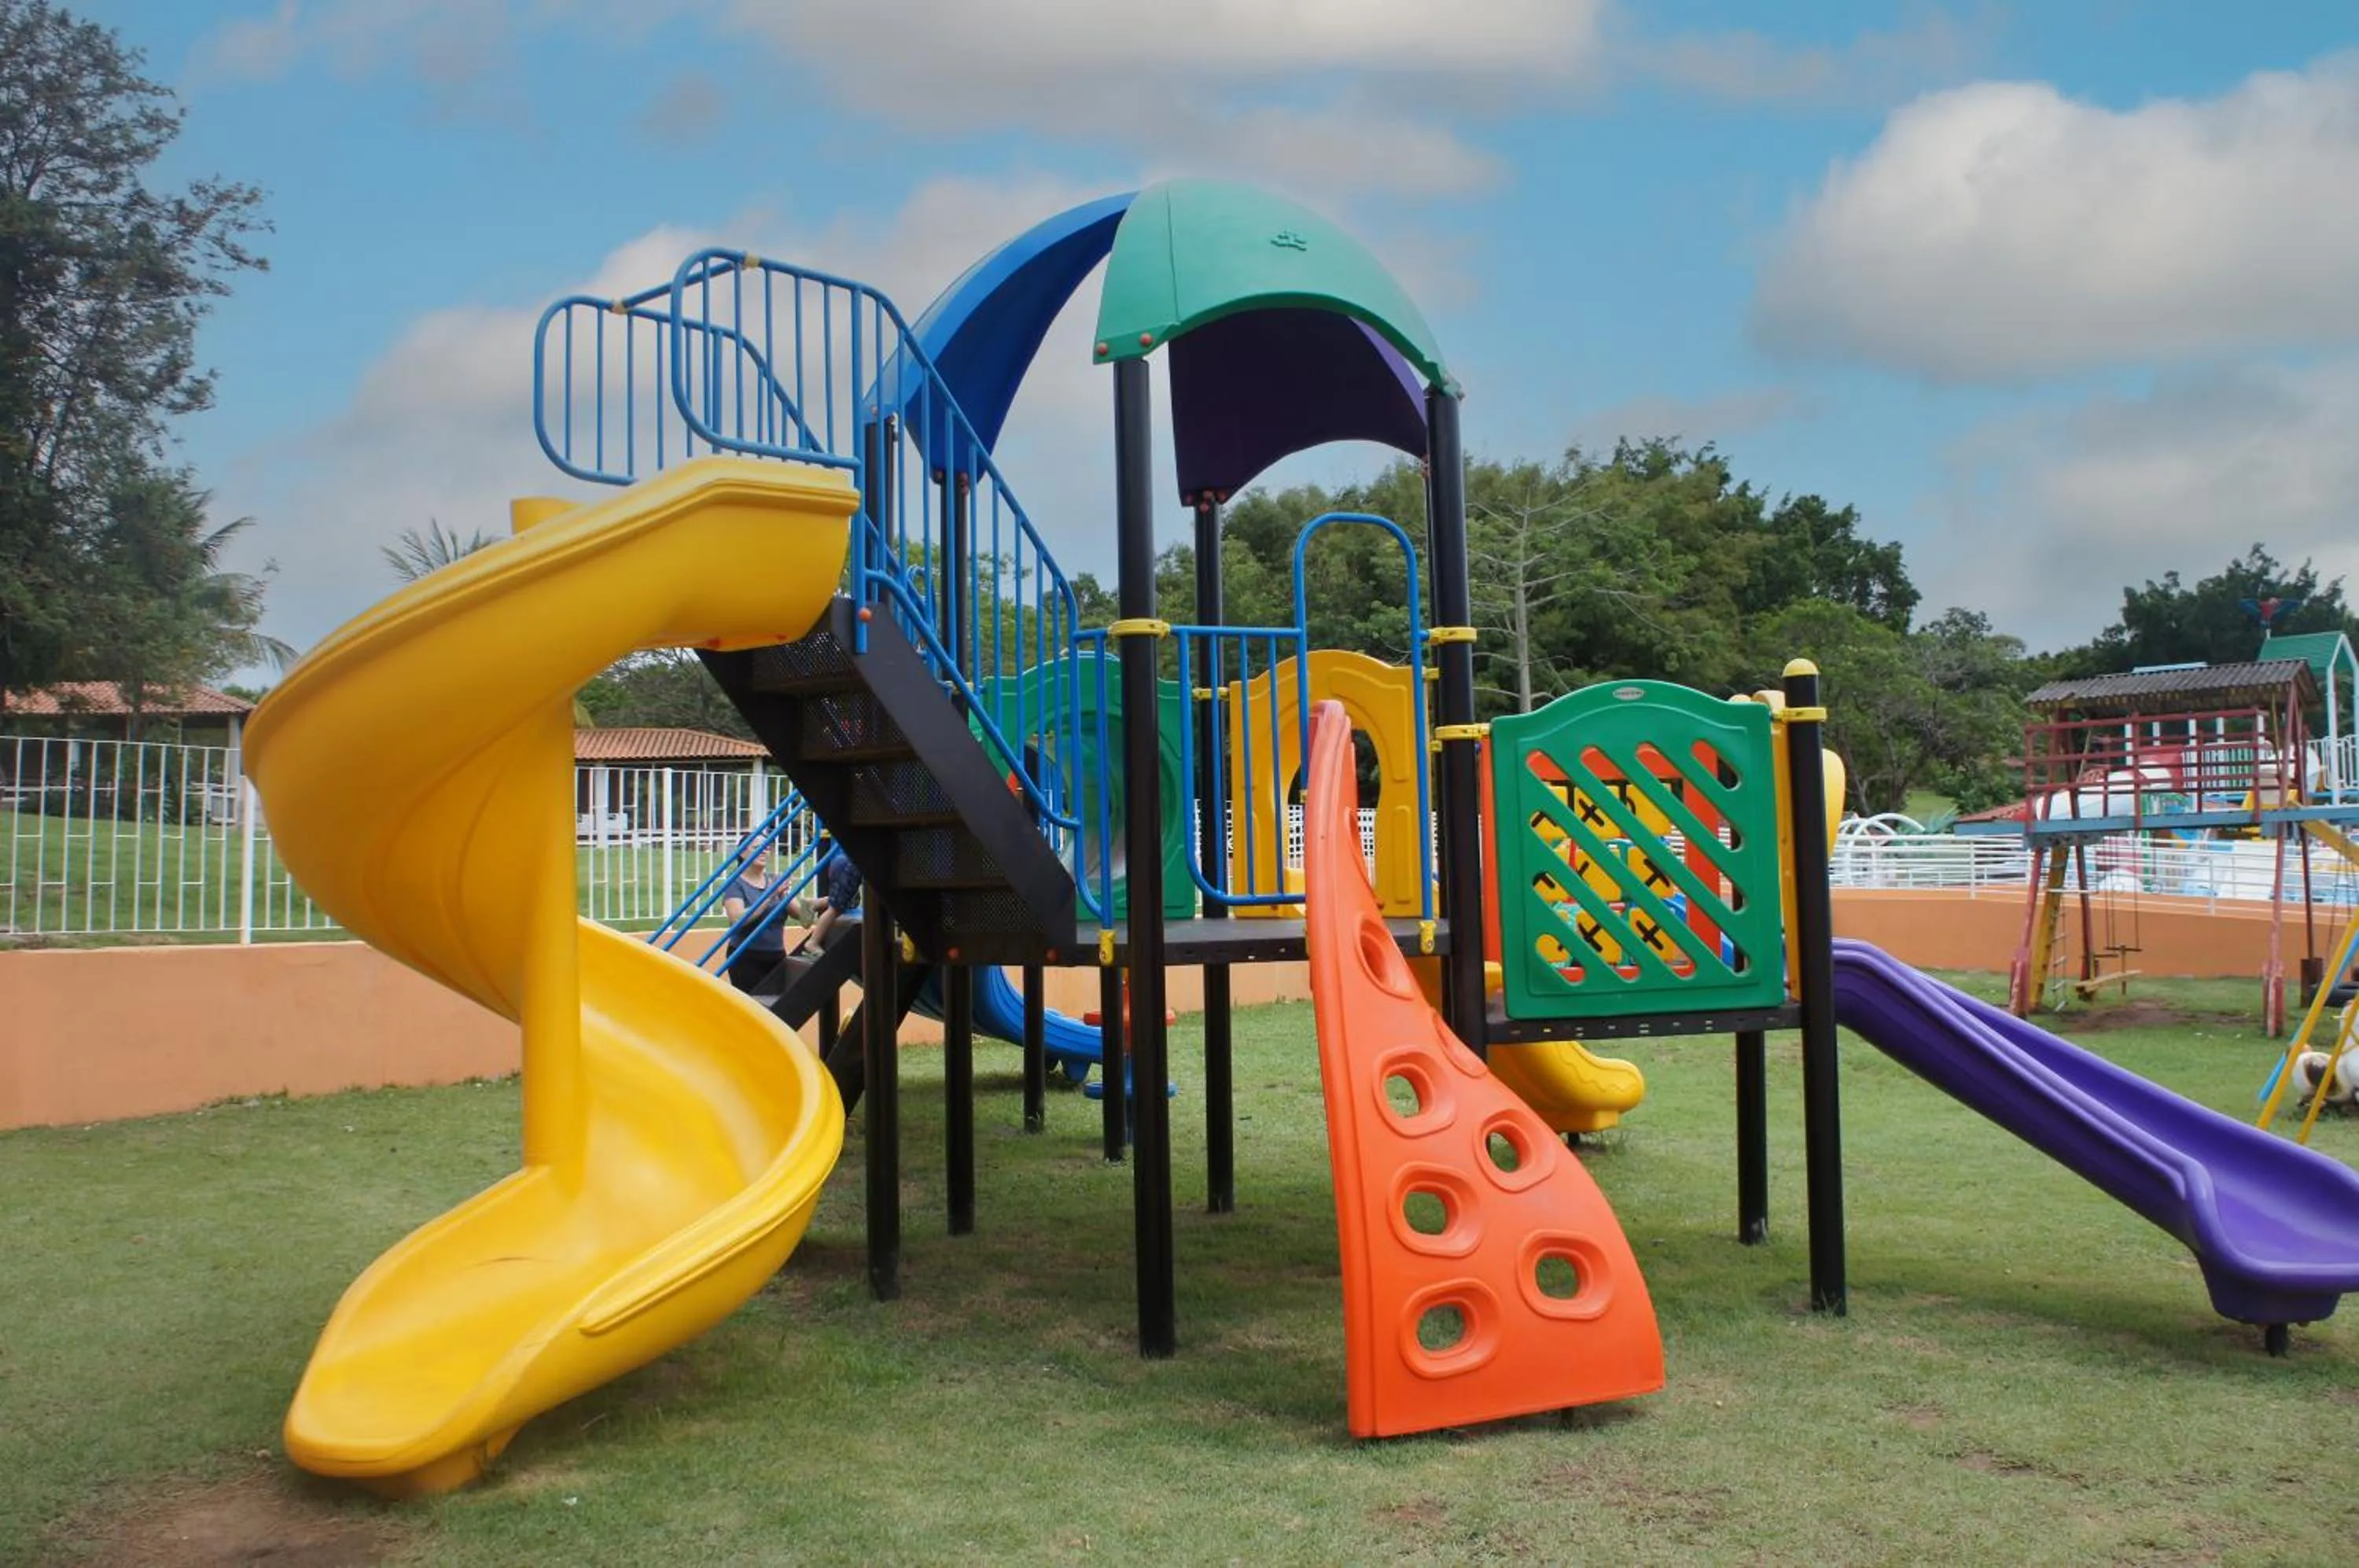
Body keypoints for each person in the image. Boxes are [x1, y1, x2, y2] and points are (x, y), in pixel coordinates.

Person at [719, 842, 793, 994]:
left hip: (776, 955)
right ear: (742, 853)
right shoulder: (735, 884)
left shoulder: (775, 880)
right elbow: (737, 918)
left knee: (778, 1008)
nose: (764, 851)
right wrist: (770, 895)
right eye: (757, 847)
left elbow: (799, 912)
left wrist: (829, 902)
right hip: (746, 957)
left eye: (767, 847)